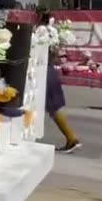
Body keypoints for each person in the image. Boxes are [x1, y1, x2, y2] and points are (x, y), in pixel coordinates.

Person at [37, 9, 82, 154]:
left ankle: (71, 138)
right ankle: (71, 138)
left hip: (43, 71)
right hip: (49, 70)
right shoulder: (54, 33)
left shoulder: (41, 31)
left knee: (51, 109)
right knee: (51, 109)